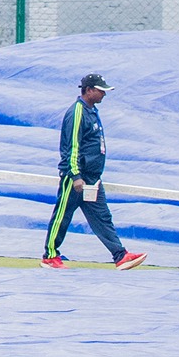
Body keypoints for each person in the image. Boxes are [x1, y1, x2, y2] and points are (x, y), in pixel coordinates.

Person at [41, 73, 147, 271]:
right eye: (100, 90)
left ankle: (120, 255)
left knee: (102, 217)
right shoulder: (77, 112)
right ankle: (50, 256)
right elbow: (71, 147)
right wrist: (75, 176)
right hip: (76, 179)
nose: (103, 95)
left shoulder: (92, 111)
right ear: (88, 90)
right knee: (62, 216)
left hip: (92, 179)